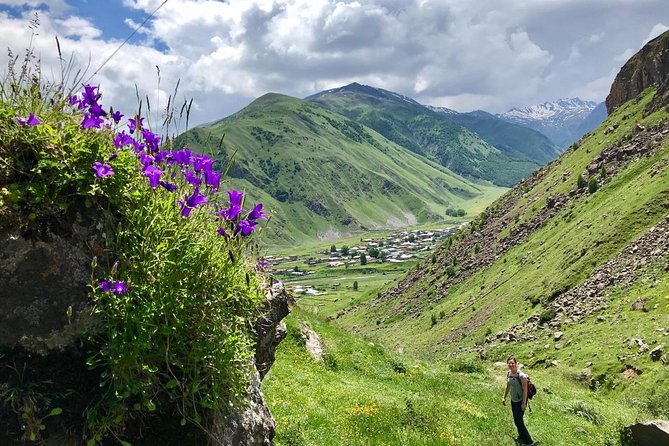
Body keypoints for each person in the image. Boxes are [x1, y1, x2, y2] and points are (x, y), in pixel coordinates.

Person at [502, 356, 534, 446]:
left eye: (512, 363)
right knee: (516, 420)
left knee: (519, 421)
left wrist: (524, 403)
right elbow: (507, 386)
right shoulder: (509, 373)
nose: (511, 364)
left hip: (521, 400)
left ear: (516, 364)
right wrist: (504, 397)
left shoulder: (522, 376)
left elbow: (525, 390)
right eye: (509, 363)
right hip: (513, 400)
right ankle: (521, 436)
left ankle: (529, 442)